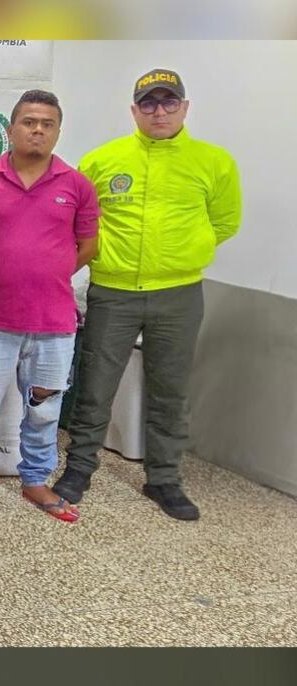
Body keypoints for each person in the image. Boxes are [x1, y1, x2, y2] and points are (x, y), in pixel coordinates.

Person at [54, 69, 241, 521]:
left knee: (169, 391)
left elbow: (225, 222)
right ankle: (79, 469)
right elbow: (82, 222)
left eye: (169, 102)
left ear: (185, 107)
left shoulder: (214, 162)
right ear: (135, 110)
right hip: (113, 293)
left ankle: (164, 479)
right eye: (150, 103)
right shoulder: (102, 161)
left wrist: (180, 254)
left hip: (178, 295)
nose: (160, 111)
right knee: (95, 386)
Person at [0, 90, 99, 523]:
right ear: (11, 127)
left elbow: (88, 245)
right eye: (29, 122)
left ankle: (36, 481)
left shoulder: (77, 185)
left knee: (44, 412)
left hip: (53, 324)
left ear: (57, 131)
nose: (37, 130)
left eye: (47, 124)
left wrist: (48, 273)